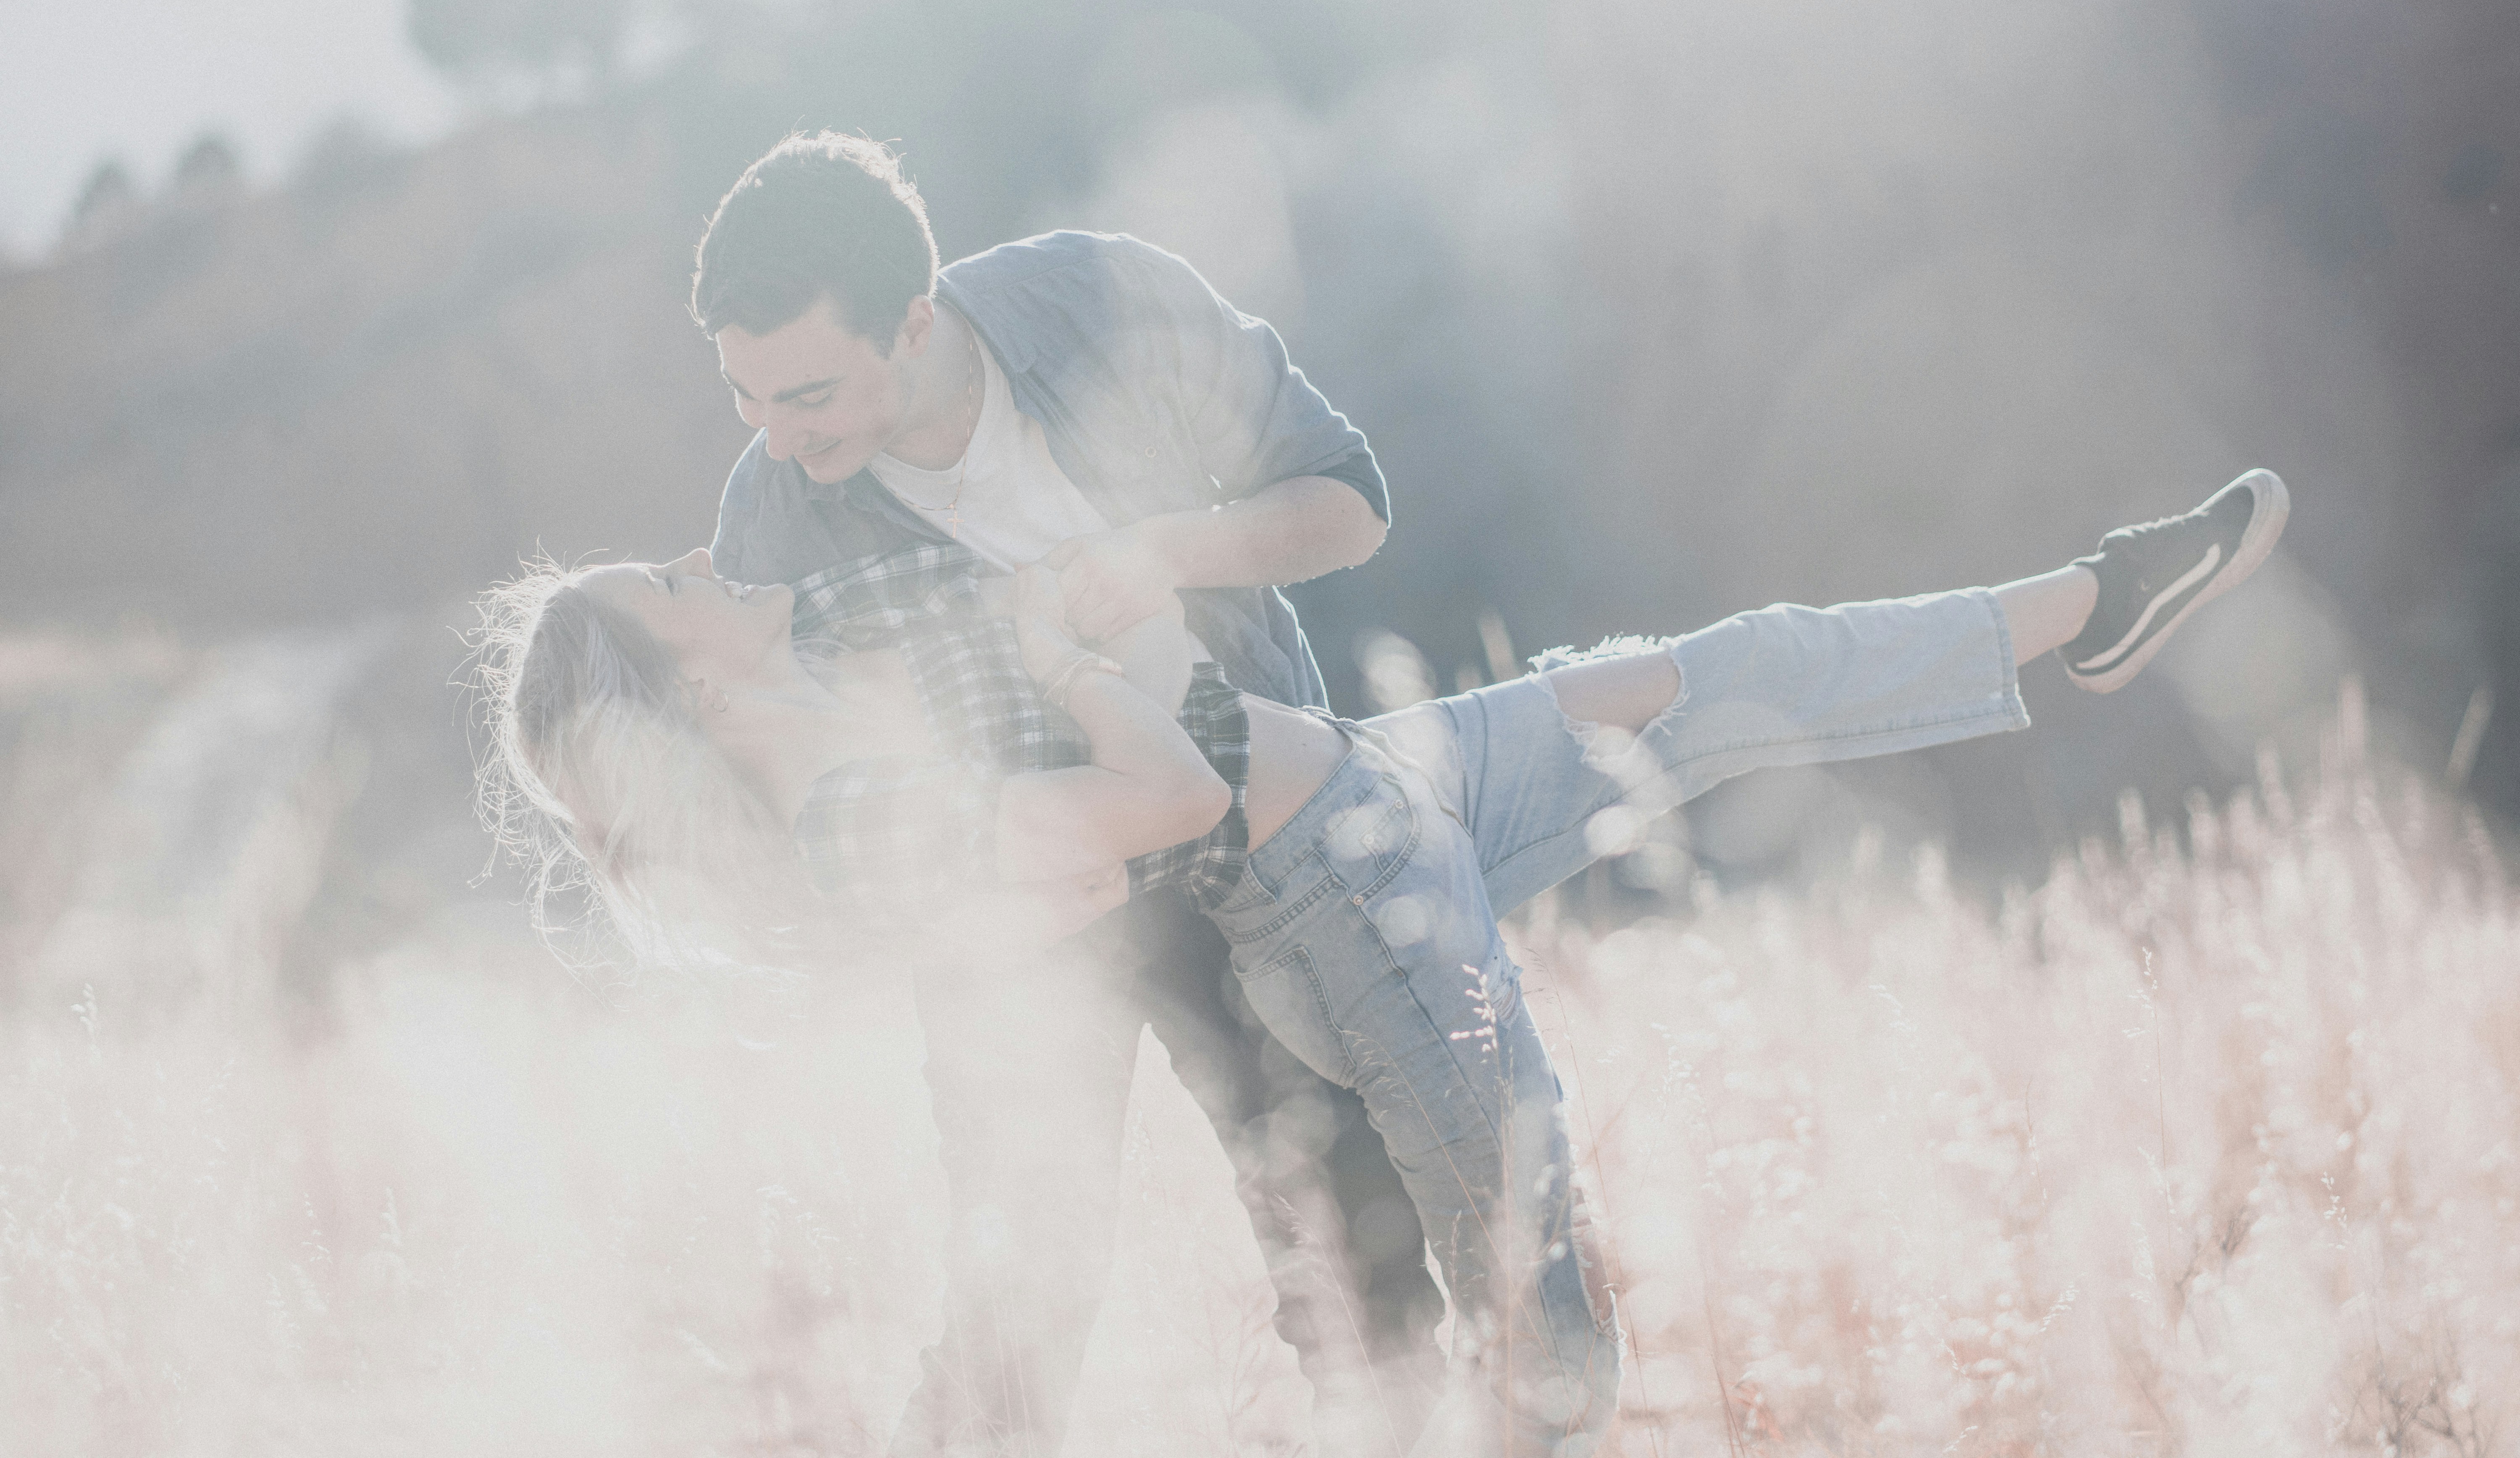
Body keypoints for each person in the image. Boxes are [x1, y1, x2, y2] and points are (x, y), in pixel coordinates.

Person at [474, 467, 2291, 1457]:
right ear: (685, 686)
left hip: (1382, 781)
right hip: (1337, 890)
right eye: (672, 588)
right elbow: (1159, 808)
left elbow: (1070, 877)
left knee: (1735, 668)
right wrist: (1084, 665)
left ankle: (2090, 603)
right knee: (1533, 1303)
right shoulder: (860, 816)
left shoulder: (849, 704)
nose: (702, 561)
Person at [687, 132, 1437, 1452]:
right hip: (1012, 923)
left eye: (806, 395)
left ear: (913, 323)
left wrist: (1166, 553)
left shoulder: (1102, 303)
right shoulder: (775, 515)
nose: (776, 439)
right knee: (1018, 1299)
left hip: (1242, 846)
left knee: (1349, 1242)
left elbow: (1352, 506)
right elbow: (793, 794)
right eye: (744, 398)